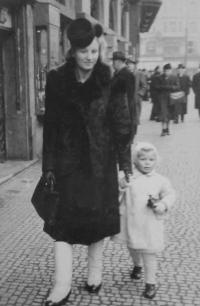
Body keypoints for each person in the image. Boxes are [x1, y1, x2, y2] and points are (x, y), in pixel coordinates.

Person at [42, 18, 132, 306]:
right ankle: (62, 285)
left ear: (99, 49)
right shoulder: (57, 79)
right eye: (83, 52)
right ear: (72, 50)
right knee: (61, 225)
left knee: (98, 222)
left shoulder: (110, 79)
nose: (89, 58)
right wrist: (49, 168)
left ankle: (95, 274)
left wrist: (125, 167)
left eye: (94, 51)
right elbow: (52, 127)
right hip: (67, 166)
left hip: (100, 165)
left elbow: (121, 125)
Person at [115, 142, 175, 299]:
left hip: (150, 223)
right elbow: (117, 195)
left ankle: (150, 282)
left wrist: (162, 204)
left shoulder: (160, 180)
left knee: (149, 252)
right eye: (143, 159)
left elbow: (170, 194)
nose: (147, 163)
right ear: (135, 161)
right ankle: (137, 265)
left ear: (156, 161)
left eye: (151, 159)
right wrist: (121, 187)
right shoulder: (130, 178)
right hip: (131, 222)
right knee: (133, 247)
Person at [112, 51, 136, 142]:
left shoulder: (127, 75)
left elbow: (129, 98)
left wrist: (130, 120)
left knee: (122, 148)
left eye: (113, 62)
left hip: (123, 117)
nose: (112, 64)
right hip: (118, 116)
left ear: (117, 62)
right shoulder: (117, 74)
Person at [157, 63, 180, 136]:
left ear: (171, 70)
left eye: (169, 71)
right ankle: (163, 129)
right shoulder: (160, 77)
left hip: (171, 98)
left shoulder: (174, 77)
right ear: (164, 71)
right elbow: (157, 87)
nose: (168, 72)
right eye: (166, 71)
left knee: (169, 114)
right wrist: (165, 87)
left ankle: (167, 128)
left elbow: (178, 86)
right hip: (162, 98)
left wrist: (170, 87)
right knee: (164, 114)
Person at [126, 58, 147, 135]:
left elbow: (144, 86)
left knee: (135, 117)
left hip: (136, 100)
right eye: (128, 65)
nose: (129, 66)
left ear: (134, 65)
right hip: (127, 99)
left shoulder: (139, 74)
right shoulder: (126, 74)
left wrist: (139, 94)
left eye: (131, 64)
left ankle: (133, 133)